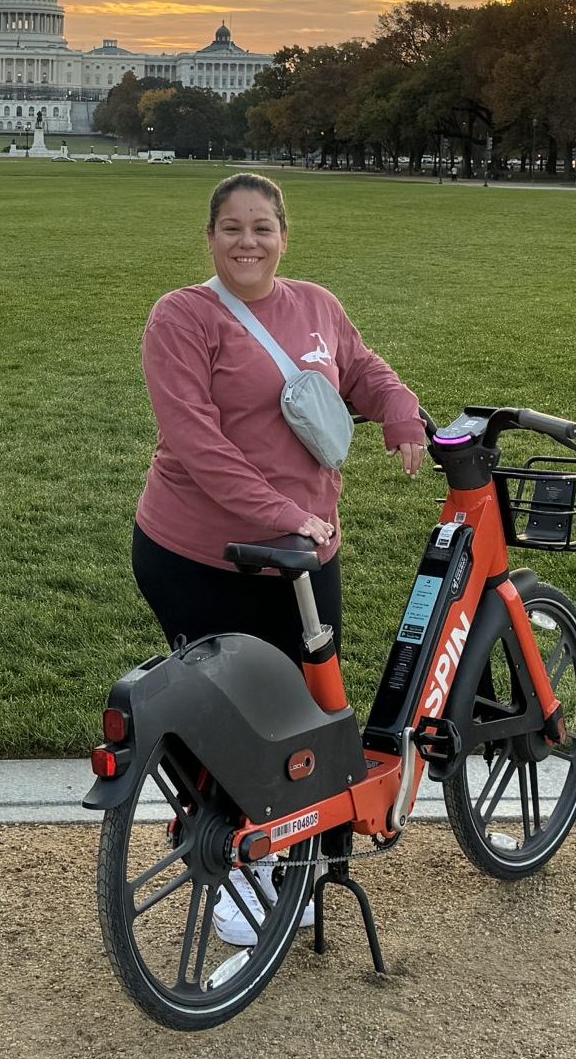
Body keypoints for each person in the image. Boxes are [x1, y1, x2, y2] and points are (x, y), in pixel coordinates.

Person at [134, 172, 424, 945]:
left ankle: (285, 861)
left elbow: (361, 368)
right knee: (231, 722)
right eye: (232, 227)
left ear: (284, 236)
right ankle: (242, 859)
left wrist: (400, 412)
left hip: (302, 554)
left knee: (305, 713)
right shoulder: (181, 317)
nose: (248, 242)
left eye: (262, 227)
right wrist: (284, 513)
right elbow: (197, 443)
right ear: (210, 237)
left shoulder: (316, 305)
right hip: (199, 553)